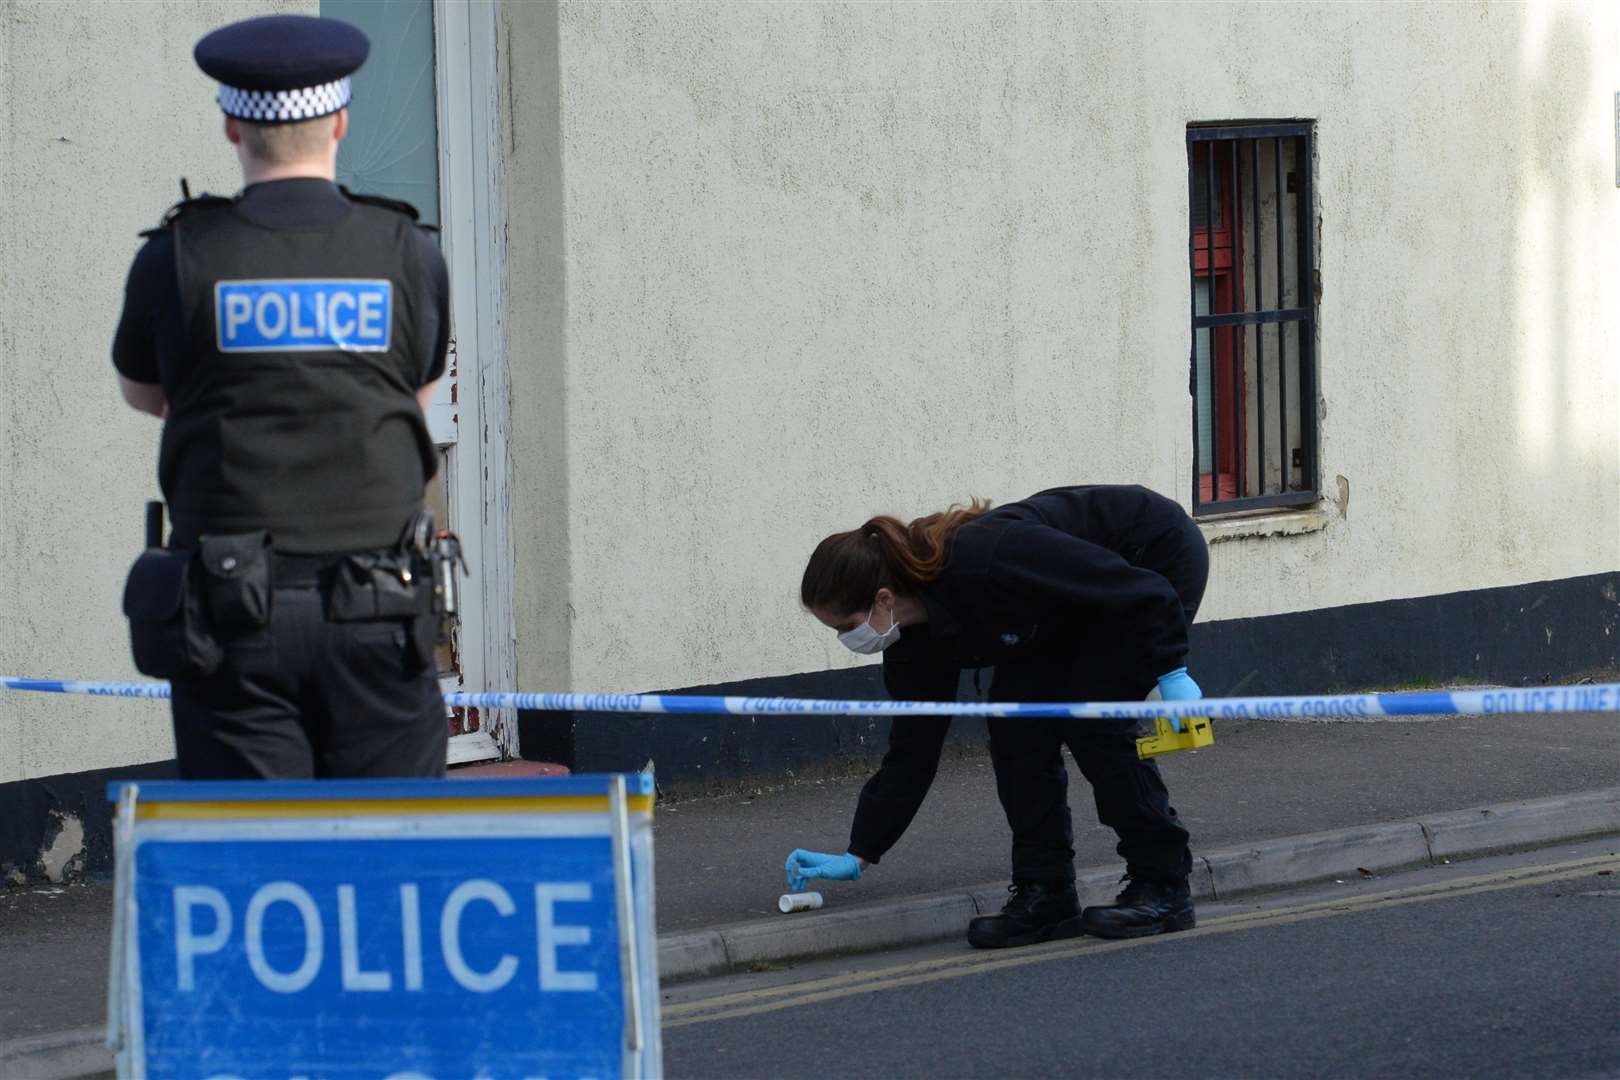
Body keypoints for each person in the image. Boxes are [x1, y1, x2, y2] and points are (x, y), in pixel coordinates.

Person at [111, 14, 451, 780]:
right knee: (389, 858)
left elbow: (146, 394)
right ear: (340, 121)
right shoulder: (408, 254)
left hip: (233, 615)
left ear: (233, 126)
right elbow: (416, 392)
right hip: (380, 609)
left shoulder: (177, 257)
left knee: (261, 863)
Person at [787, 484, 1208, 946]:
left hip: (1150, 561)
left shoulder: (987, 559)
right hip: (1055, 610)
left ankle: (1164, 884)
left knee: (1093, 719)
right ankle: (1044, 892)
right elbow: (913, 748)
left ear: (883, 599)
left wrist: (1172, 669)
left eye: (846, 627)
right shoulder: (910, 643)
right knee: (1015, 728)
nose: (848, 640)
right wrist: (861, 851)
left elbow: (1141, 591)